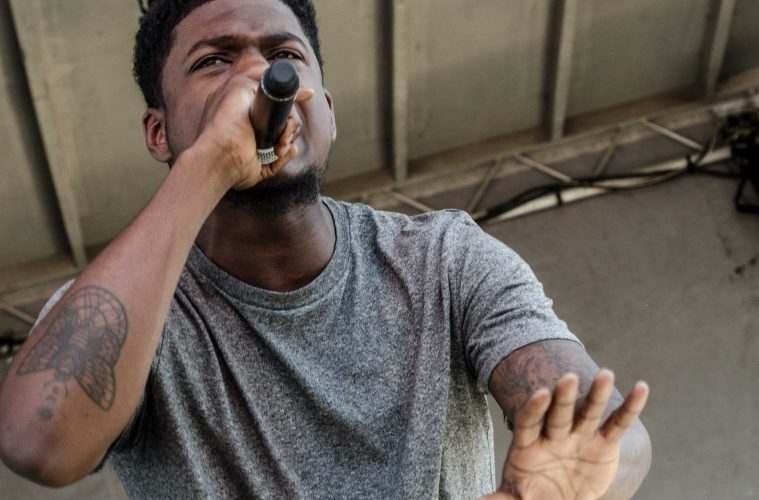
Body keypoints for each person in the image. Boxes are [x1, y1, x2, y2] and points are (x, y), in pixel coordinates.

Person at [0, 0, 652, 498]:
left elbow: (610, 438)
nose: (260, 77)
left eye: (283, 54)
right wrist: (207, 167)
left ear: (328, 112)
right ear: (158, 132)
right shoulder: (128, 306)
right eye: (214, 61)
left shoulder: (444, 260)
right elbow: (37, 443)